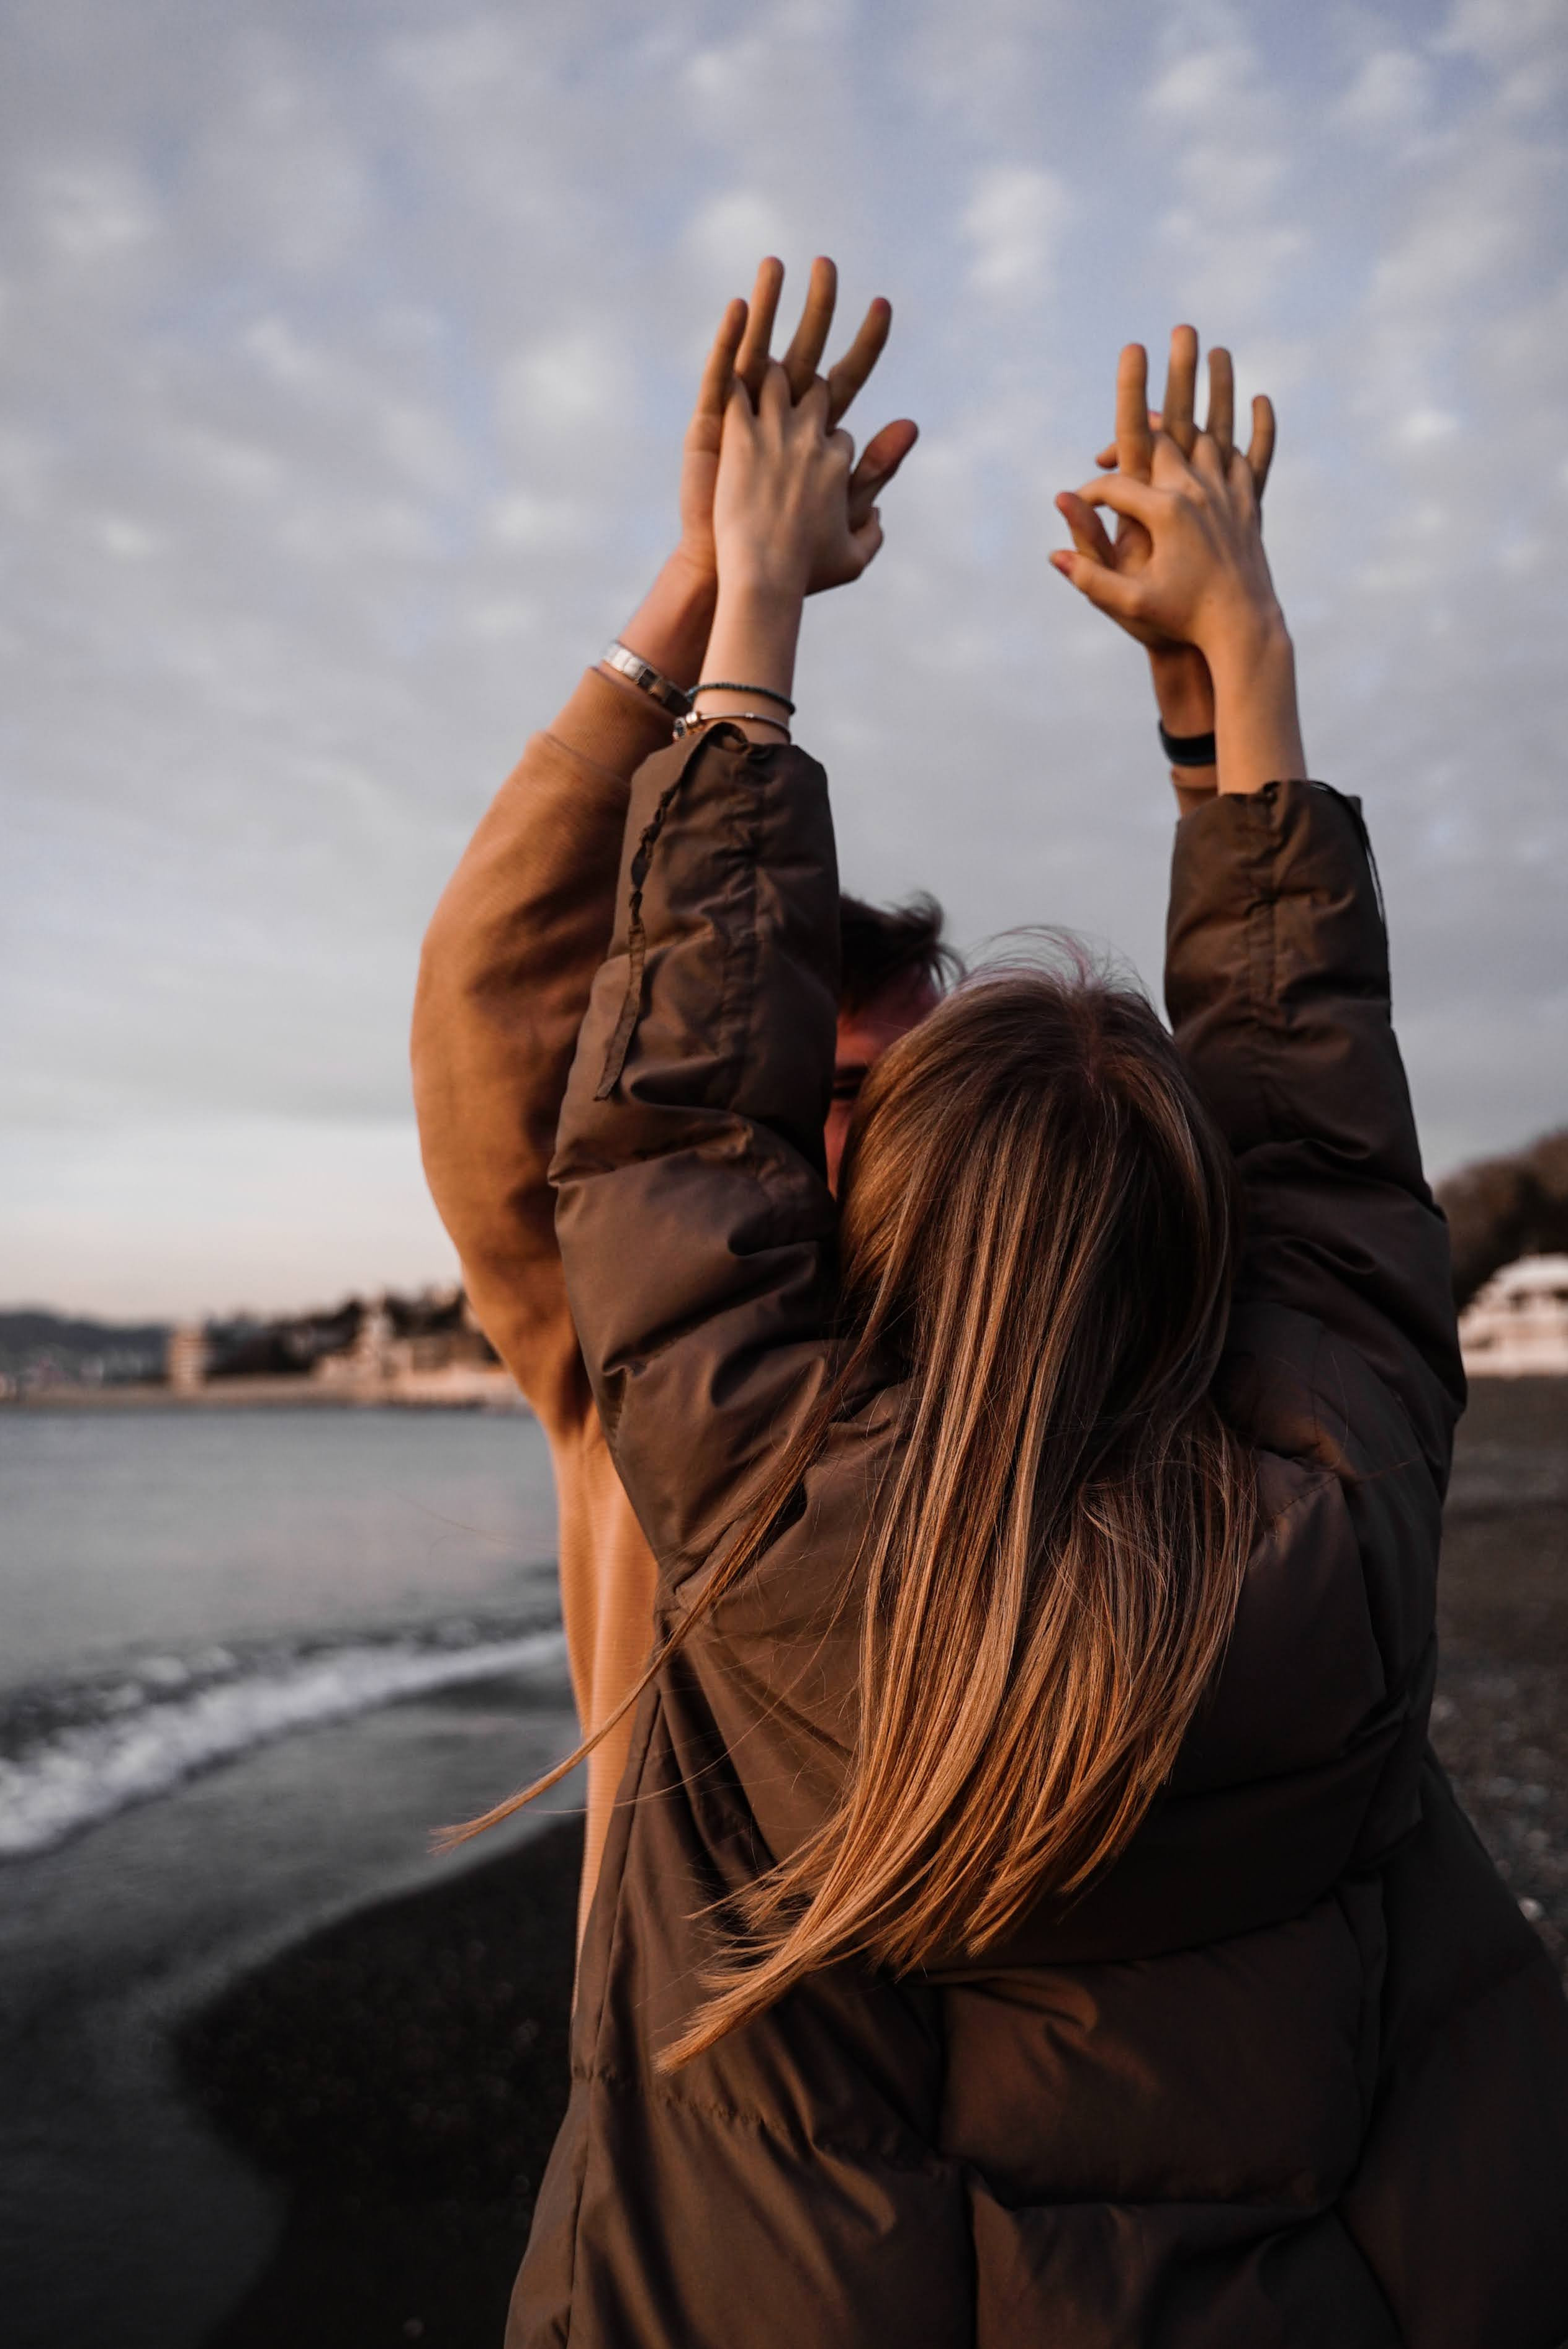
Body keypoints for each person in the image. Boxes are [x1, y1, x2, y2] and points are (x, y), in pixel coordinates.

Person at [502, 303, 1568, 2345]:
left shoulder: (778, 1515)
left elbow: (659, 1125)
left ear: (866, 1233)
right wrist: (1231, 670)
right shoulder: (1333, 1538)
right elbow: (1330, 1178)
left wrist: (750, 603)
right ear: (1205, 1262)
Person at [412, 262, 947, 1935]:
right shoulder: (640, 1375)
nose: (908, 1132)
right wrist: (708, 595)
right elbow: (495, 986)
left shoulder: (1037, 1362)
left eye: (932, 1085)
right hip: (702, 2146)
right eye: (857, 1090)